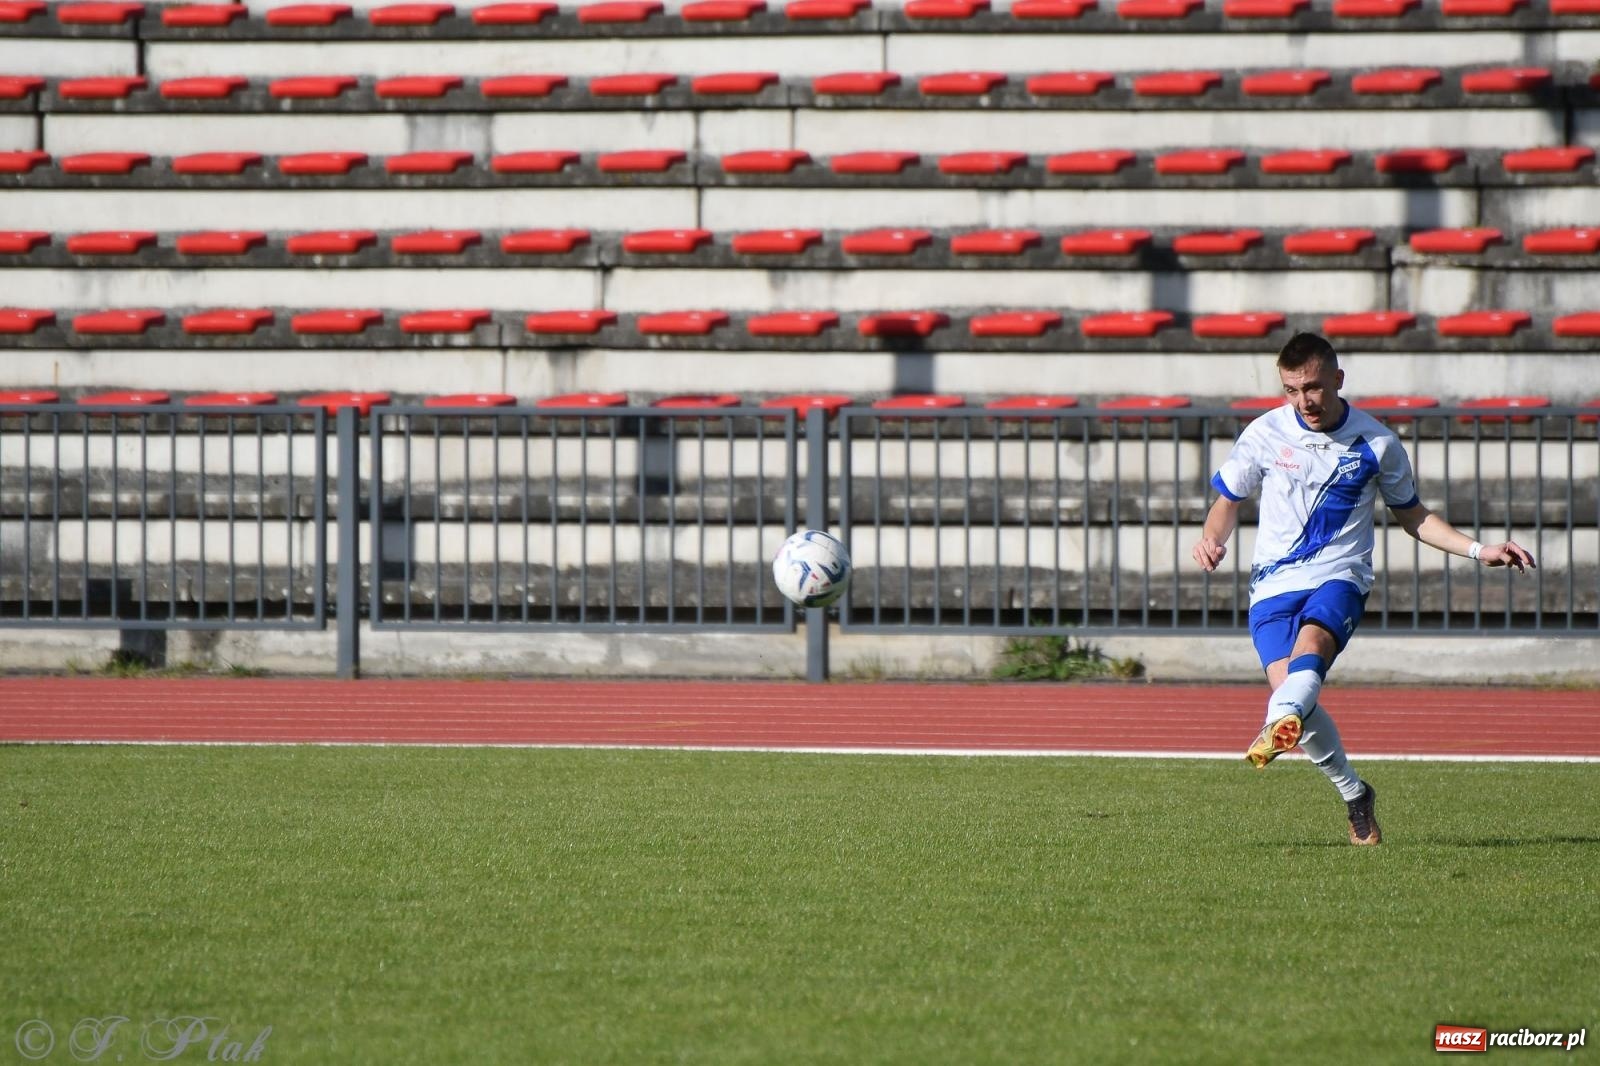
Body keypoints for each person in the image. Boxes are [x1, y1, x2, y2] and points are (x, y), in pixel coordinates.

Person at [1192, 332, 1536, 845]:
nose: (1304, 401)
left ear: (1337, 379)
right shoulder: (1263, 433)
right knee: (1297, 700)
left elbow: (1414, 516)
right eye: (1291, 390)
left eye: (1312, 387)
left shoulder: (1377, 443)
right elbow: (1227, 500)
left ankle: (1275, 720)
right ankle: (1354, 794)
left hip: (1339, 575)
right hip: (1271, 586)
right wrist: (1210, 539)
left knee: (1308, 657)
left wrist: (1478, 549)